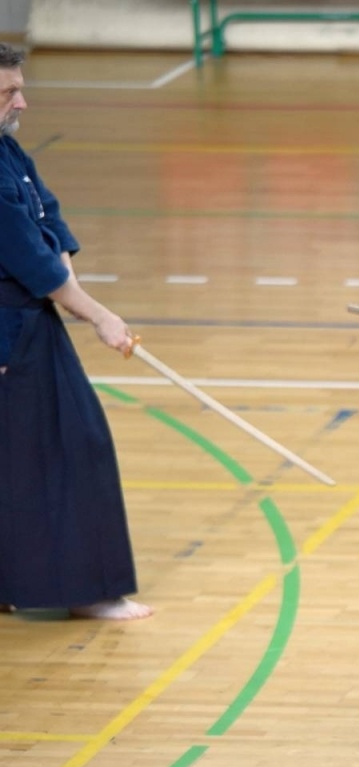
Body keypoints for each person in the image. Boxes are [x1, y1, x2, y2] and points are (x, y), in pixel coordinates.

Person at [0, 44, 150, 622]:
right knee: (70, 448)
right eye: (8, 92)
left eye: (20, 87)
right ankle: (85, 589)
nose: (22, 102)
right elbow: (28, 261)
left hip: (32, 322)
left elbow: (51, 226)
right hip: (8, 334)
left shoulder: (8, 151)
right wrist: (101, 316)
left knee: (43, 452)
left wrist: (79, 297)